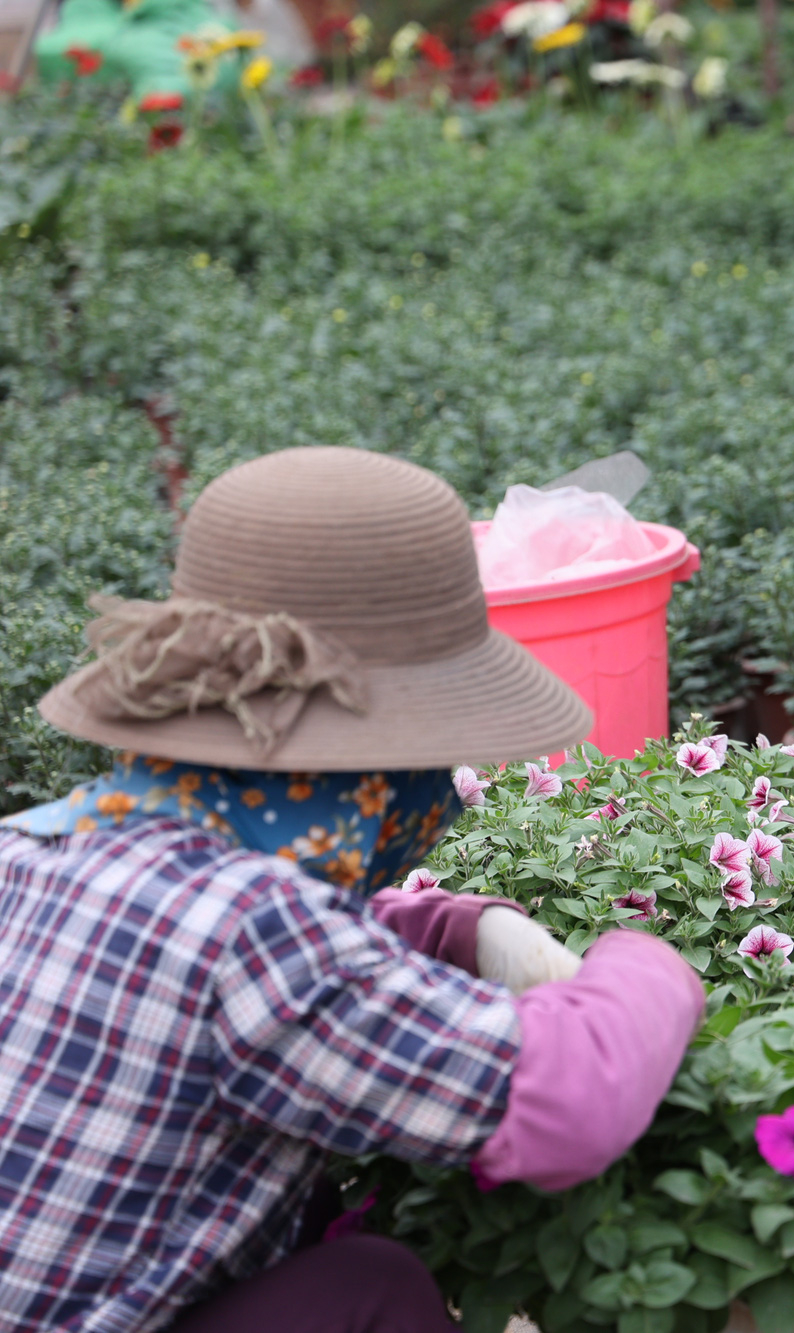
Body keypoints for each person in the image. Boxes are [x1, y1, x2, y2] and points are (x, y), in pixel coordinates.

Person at [0, 447, 707, 1333]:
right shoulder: (258, 934)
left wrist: (448, 929)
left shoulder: (38, 846)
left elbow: (231, 957)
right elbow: (572, 1099)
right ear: (373, 768)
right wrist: (643, 960)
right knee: (374, 1291)